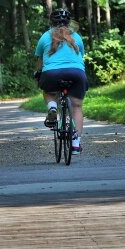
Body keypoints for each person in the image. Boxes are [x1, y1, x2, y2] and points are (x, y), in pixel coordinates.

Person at [34, 8, 88, 154]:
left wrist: (38, 73)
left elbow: (40, 60)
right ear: (69, 22)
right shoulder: (76, 36)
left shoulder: (45, 36)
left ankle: (52, 107)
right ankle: (76, 144)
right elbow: (80, 56)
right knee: (76, 107)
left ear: (52, 22)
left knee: (49, 91)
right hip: (77, 73)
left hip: (52, 73)